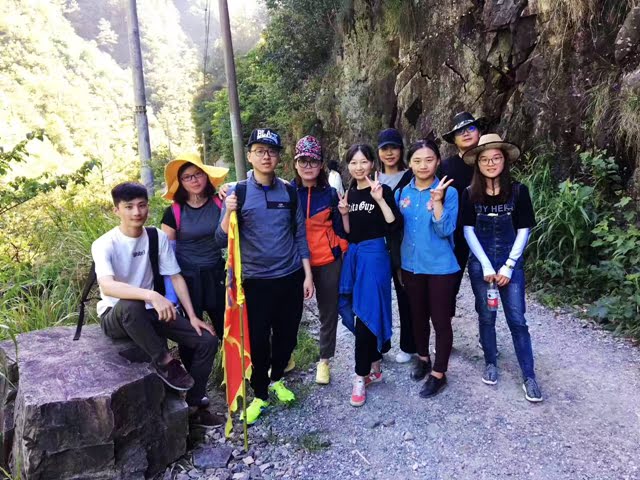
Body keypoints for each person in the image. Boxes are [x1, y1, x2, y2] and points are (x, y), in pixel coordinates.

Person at [91, 182, 220, 427]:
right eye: (129, 207)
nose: (137, 212)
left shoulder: (155, 236)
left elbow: (175, 276)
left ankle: (194, 405)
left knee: (207, 340)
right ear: (116, 210)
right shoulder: (105, 243)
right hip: (116, 315)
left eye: (142, 205)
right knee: (132, 305)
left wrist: (192, 316)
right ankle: (164, 361)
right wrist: (151, 295)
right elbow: (107, 286)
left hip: (151, 313)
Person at [215, 128, 314, 424]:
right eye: (259, 151)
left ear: (279, 157)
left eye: (271, 151)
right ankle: (259, 393)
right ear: (249, 156)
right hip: (255, 281)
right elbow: (220, 239)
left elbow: (300, 235)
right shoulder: (237, 193)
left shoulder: (289, 192)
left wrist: (307, 275)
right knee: (258, 340)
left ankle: (277, 378)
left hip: (290, 276)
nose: (266, 156)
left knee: (287, 335)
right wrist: (228, 213)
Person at [461, 134, 543, 403]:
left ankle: (529, 376)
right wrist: (486, 265)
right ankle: (490, 363)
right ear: (478, 164)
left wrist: (508, 266)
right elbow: (468, 231)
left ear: (505, 161)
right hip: (481, 264)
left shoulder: (519, 191)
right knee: (487, 316)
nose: (490, 163)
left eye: (496, 158)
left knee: (517, 320)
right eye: (484, 159)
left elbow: (524, 230)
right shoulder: (470, 194)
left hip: (511, 265)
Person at [337, 144, 402, 407]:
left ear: (372, 164)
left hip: (375, 257)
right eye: (353, 162)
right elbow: (349, 232)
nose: (359, 167)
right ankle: (374, 361)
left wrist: (380, 200)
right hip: (354, 256)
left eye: (363, 161)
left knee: (366, 313)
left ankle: (360, 375)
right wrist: (344, 214)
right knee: (353, 309)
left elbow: (394, 224)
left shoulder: (382, 190)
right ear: (348, 166)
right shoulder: (349, 193)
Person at [396, 140, 459, 398]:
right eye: (417, 160)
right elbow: (395, 229)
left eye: (429, 159)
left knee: (441, 320)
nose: (423, 165)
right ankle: (423, 358)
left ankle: (439, 373)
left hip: (440, 267)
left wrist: (438, 202)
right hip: (410, 266)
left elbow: (446, 230)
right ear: (410, 164)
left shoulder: (449, 192)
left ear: (438, 161)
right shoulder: (403, 193)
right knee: (417, 316)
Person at [293, 136, 348, 385]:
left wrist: (341, 250)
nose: (308, 166)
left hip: (328, 261)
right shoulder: (287, 192)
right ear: (295, 163)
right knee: (290, 311)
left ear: (321, 164)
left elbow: (341, 229)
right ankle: (286, 356)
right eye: (303, 160)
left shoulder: (330, 194)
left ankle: (324, 361)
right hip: (295, 262)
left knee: (328, 311)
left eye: (313, 161)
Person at [376, 128, 416, 364]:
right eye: (384, 148)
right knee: (378, 296)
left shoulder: (411, 175)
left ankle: (409, 345)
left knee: (405, 295)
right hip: (376, 246)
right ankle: (379, 345)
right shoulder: (371, 177)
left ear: (401, 150)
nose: (389, 153)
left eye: (394, 147)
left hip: (404, 244)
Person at [441, 112, 485, 319]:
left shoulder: (489, 161)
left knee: (486, 281)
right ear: (454, 139)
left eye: (470, 128)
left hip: (484, 229)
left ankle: (486, 325)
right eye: (460, 131)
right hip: (455, 232)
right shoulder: (446, 166)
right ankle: (445, 325)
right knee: (450, 281)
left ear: (479, 132)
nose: (466, 133)